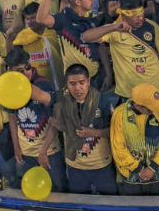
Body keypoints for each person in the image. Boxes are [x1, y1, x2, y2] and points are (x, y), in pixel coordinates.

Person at [39, 64, 117, 195]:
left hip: (101, 166)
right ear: (67, 84)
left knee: (108, 203)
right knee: (79, 202)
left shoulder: (103, 101)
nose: (77, 88)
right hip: (76, 167)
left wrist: (94, 133)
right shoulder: (61, 104)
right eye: (72, 84)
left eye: (82, 83)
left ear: (89, 81)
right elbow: (54, 126)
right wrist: (43, 151)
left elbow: (115, 132)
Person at [82, 0, 159, 100]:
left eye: (141, 14)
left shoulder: (152, 26)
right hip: (127, 93)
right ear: (123, 15)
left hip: (153, 90)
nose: (140, 19)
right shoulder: (114, 30)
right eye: (135, 15)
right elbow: (86, 37)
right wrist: (113, 27)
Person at [5, 49, 67, 192]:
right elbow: (12, 119)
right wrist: (16, 148)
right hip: (26, 153)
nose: (23, 74)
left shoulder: (43, 85)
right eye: (17, 71)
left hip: (49, 152)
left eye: (25, 69)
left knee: (58, 192)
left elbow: (54, 121)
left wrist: (43, 151)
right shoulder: (8, 86)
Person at [36, 0, 108, 82]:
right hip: (75, 81)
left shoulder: (92, 20)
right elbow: (41, 18)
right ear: (78, 2)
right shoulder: (64, 19)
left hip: (95, 77)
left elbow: (100, 47)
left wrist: (108, 74)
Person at [111, 83, 159, 195]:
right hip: (132, 175)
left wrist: (153, 168)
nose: (155, 110)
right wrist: (139, 169)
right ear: (138, 106)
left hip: (157, 172)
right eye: (151, 107)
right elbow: (118, 147)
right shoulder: (119, 114)